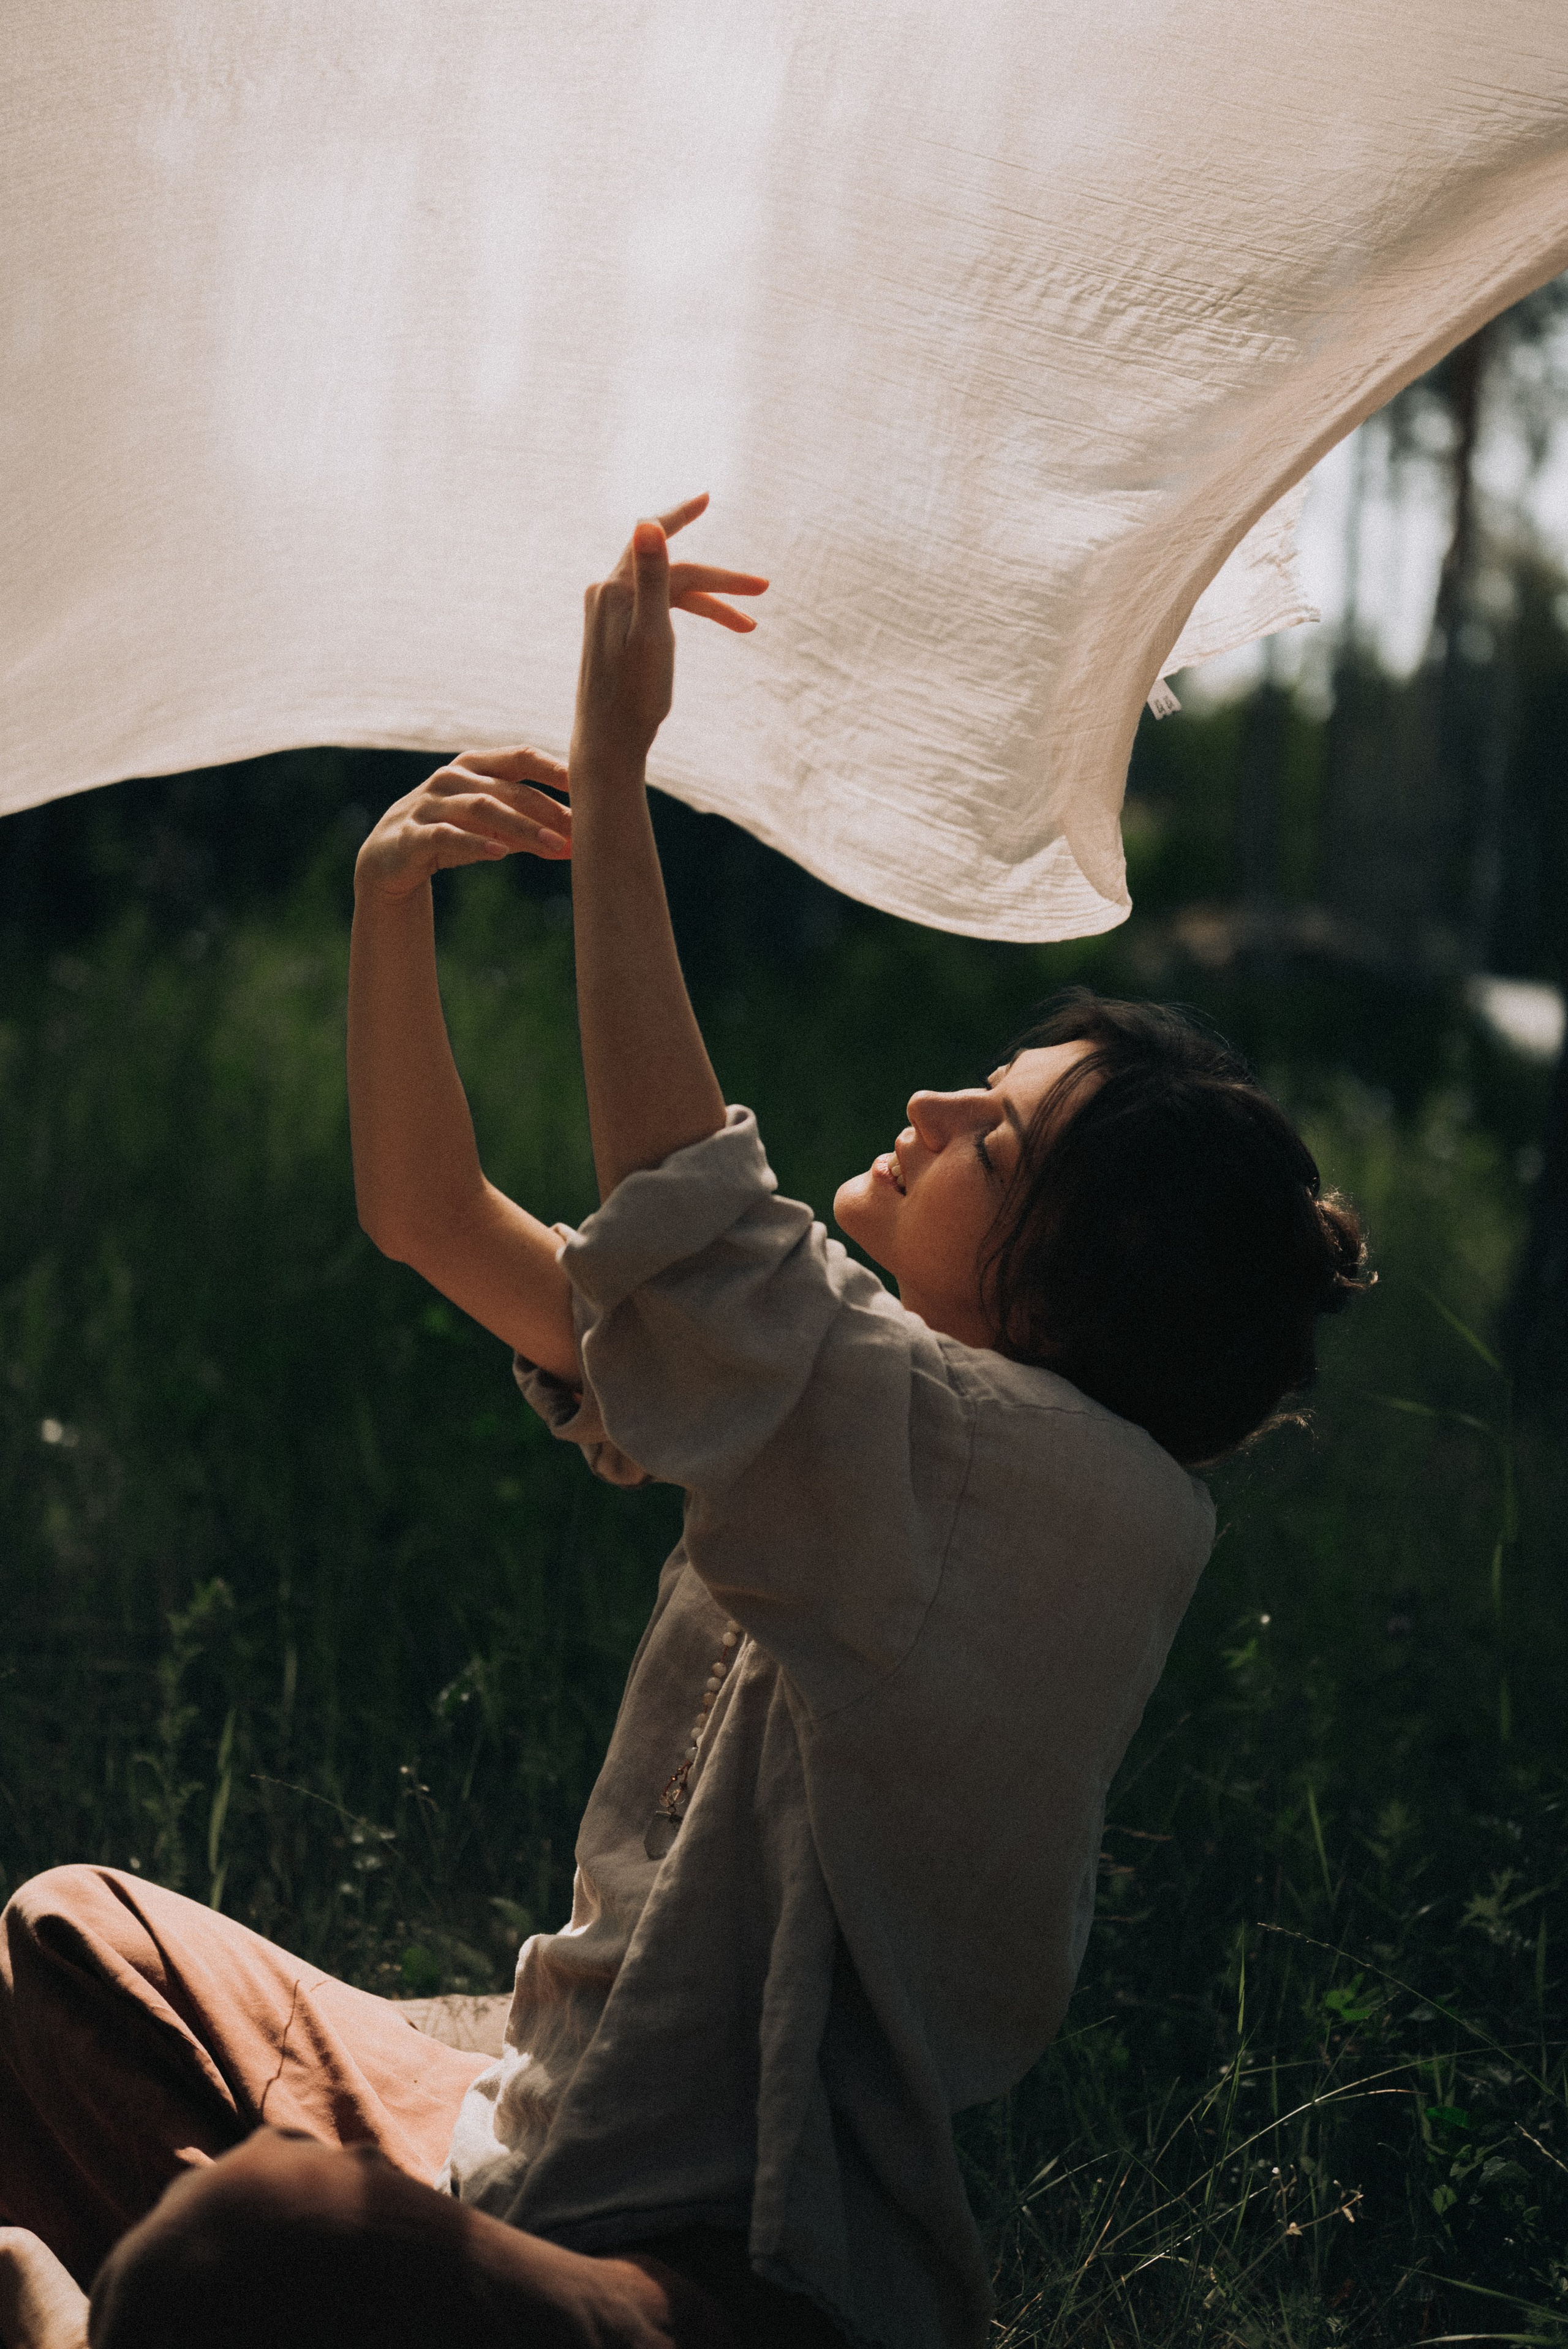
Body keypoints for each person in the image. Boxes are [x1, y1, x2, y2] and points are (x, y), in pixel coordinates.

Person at [0, 497, 1365, 2349]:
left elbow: (698, 1229)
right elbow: (433, 1220)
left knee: (257, 2246)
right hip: (529, 2152)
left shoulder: (1050, 1501)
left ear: (1072, 1285)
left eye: (1000, 1136)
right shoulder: (877, 1408)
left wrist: (619, 775)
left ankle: (91, 2312)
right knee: (70, 1942)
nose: (936, 1104)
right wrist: (388, 899)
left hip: (733, 2292)